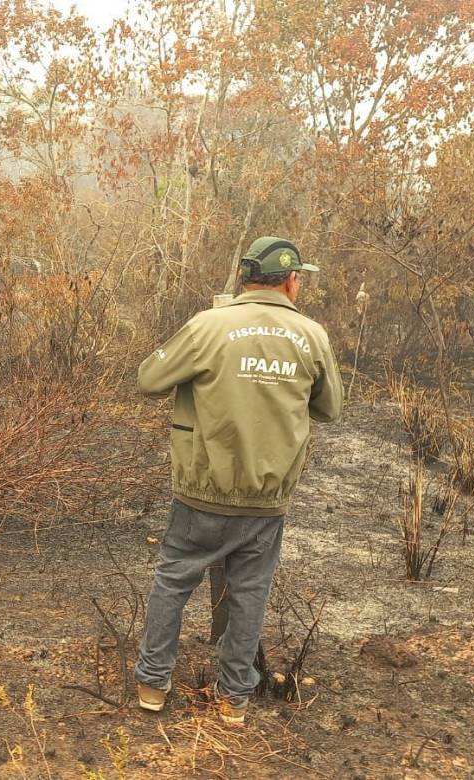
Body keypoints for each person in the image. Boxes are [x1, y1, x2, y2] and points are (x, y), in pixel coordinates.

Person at [133, 236, 343, 724]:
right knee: (250, 592)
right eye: (299, 278)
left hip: (201, 490)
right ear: (291, 281)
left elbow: (149, 379)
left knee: (173, 580)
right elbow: (330, 408)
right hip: (266, 500)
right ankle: (233, 700)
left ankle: (152, 685)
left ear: (245, 276)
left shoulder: (210, 325)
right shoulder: (312, 335)